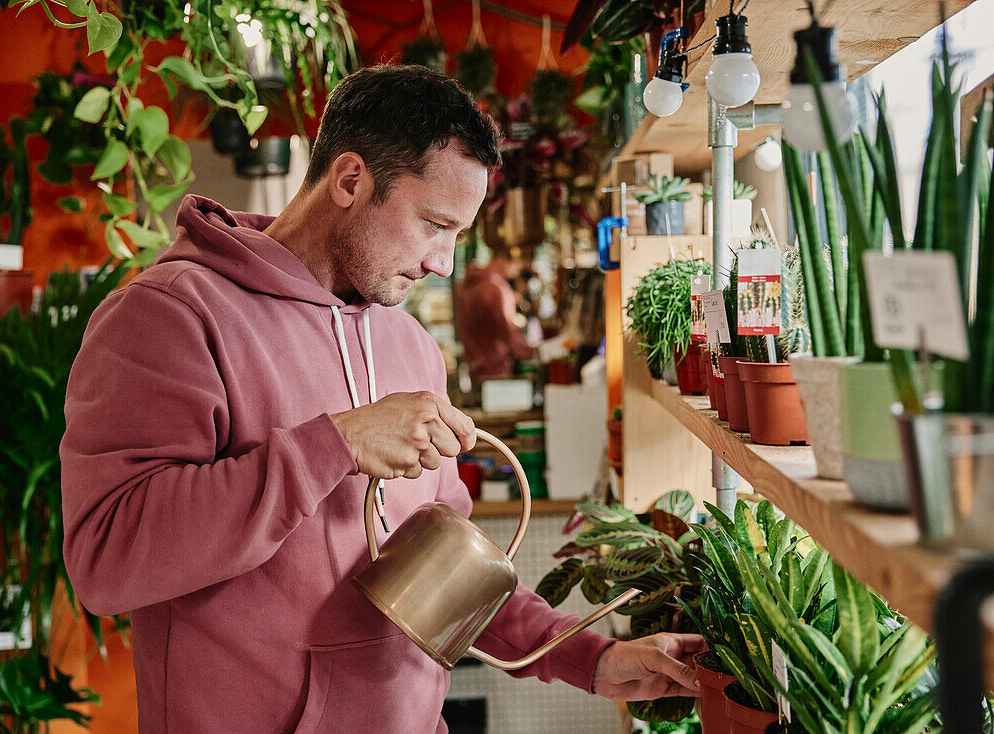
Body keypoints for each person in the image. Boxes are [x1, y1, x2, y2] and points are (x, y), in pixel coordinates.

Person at [60, 65, 704, 733]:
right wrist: (331, 444)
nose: (444, 263)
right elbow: (107, 561)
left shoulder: (413, 347)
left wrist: (591, 660)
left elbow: (446, 571)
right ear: (349, 181)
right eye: (434, 224)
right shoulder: (171, 316)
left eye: (458, 234)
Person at [455, 243, 536, 379]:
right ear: (504, 259)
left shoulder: (470, 283)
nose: (517, 272)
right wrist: (532, 351)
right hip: (495, 368)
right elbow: (506, 331)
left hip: (474, 365)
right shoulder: (497, 288)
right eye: (518, 265)